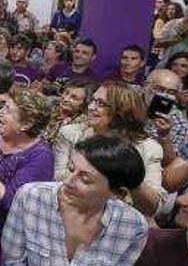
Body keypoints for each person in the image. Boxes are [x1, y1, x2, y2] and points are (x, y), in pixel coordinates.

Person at [0, 135, 148, 266]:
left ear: (118, 193)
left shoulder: (132, 227)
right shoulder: (31, 198)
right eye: (71, 169)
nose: (68, 182)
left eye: (85, 179)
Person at [54, 80, 165, 216]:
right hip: (73, 208)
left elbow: (154, 208)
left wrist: (133, 177)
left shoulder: (149, 148)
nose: (91, 107)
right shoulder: (71, 134)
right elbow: (57, 179)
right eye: (93, 100)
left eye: (100, 104)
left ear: (121, 111)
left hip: (123, 218)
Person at [0, 86, 54, 231]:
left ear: (26, 125)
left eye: (8, 110)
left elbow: (10, 201)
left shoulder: (40, 157)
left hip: (2, 231)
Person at [40, 78, 94, 144]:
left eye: (74, 98)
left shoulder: (82, 124)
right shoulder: (50, 105)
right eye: (66, 93)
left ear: (84, 105)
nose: (65, 99)